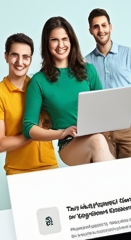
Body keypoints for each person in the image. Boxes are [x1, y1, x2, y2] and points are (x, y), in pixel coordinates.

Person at [23, 16, 114, 166]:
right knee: (98, 142)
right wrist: (62, 133)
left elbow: (102, 108)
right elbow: (29, 128)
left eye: (65, 39)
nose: (61, 45)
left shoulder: (88, 71)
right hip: (69, 144)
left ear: (71, 40)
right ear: (47, 43)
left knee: (100, 144)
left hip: (97, 137)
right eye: (54, 40)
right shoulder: (38, 81)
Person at [0, 33, 58, 174]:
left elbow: (54, 122)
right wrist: (33, 133)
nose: (20, 62)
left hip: (49, 167)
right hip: (18, 172)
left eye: (25, 57)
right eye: (14, 55)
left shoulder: (40, 86)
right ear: (6, 56)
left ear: (30, 60)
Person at [83, 8, 131, 158]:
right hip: (102, 133)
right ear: (90, 31)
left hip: (130, 128)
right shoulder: (85, 63)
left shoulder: (130, 54)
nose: (101, 30)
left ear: (110, 27)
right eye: (96, 26)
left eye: (104, 25)